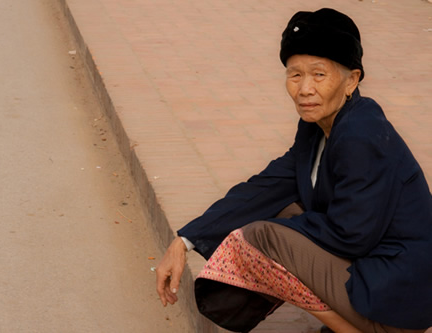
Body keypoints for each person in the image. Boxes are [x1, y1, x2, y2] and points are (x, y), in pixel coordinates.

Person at [156, 8, 432, 333]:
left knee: (264, 235)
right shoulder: (317, 126)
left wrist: (271, 233)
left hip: (398, 293)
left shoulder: (362, 133)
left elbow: (351, 234)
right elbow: (266, 187)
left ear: (351, 80)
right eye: (295, 75)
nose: (304, 89)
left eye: (319, 75)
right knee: (280, 212)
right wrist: (183, 242)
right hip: (375, 273)